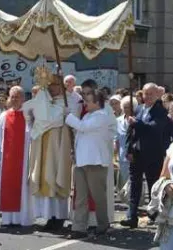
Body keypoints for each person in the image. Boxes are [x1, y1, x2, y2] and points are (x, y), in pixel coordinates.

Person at [27, 74, 72, 231]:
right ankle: (49, 216)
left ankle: (59, 216)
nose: (52, 88)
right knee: (44, 178)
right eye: (50, 85)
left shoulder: (67, 101)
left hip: (58, 144)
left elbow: (55, 119)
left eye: (55, 85)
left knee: (56, 176)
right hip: (42, 144)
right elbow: (31, 116)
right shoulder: (44, 101)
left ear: (61, 87)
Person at [121, 83, 169, 228]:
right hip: (137, 153)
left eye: (151, 94)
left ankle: (154, 214)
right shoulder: (139, 109)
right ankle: (131, 215)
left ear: (157, 95)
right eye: (145, 94)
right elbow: (131, 131)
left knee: (153, 185)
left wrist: (137, 123)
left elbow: (155, 128)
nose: (147, 97)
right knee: (134, 185)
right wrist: (129, 149)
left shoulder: (160, 111)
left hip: (153, 154)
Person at [66, 89, 111, 238]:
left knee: (98, 196)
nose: (85, 103)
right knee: (81, 197)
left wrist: (69, 116)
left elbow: (83, 128)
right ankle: (78, 227)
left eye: (88, 101)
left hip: (95, 162)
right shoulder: (86, 116)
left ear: (97, 103)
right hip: (81, 161)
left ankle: (103, 224)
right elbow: (80, 134)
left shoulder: (102, 116)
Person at [0, 86, 33, 226]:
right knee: (6, 188)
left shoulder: (28, 116)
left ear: (23, 99)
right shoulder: (4, 115)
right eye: (12, 97)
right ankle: (7, 219)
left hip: (23, 159)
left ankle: (22, 219)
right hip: (6, 159)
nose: (14, 99)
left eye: (17, 97)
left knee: (23, 190)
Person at [115, 96, 138, 189]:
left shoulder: (138, 120)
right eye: (124, 107)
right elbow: (116, 138)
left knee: (135, 181)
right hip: (122, 155)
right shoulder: (118, 120)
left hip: (136, 155)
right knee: (124, 181)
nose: (126, 109)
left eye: (128, 107)